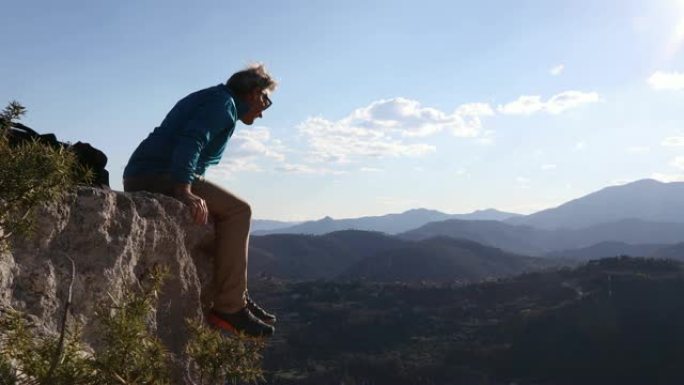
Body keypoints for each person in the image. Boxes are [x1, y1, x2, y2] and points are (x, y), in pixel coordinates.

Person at [123, 64, 277, 337]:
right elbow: (191, 141)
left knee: (223, 214)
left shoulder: (216, 99)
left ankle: (233, 291)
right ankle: (230, 306)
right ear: (254, 94)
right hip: (159, 174)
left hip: (148, 170)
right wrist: (184, 189)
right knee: (239, 211)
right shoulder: (223, 105)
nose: (264, 110)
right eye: (266, 99)